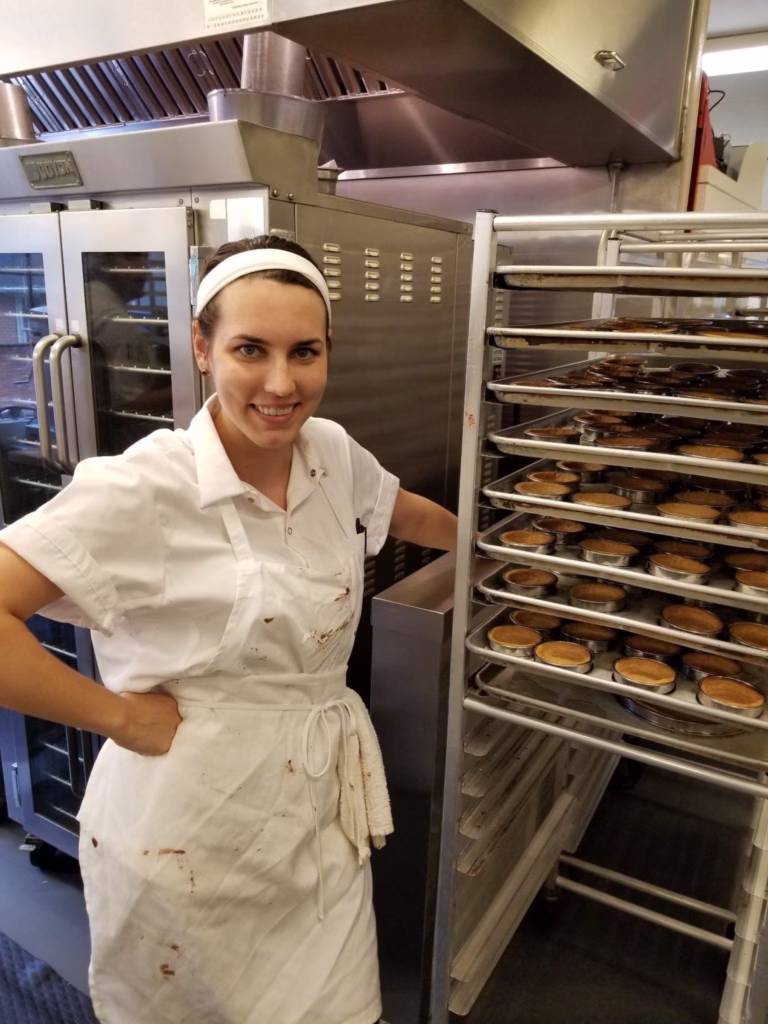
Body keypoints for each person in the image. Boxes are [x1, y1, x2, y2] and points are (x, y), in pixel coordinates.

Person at [0, 234, 458, 1024]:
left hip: (316, 825)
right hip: (190, 838)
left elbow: (407, 513)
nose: (282, 383)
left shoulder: (332, 454)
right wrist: (121, 719)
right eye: (251, 348)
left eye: (304, 352)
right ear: (203, 349)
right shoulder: (146, 484)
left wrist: (513, 550)